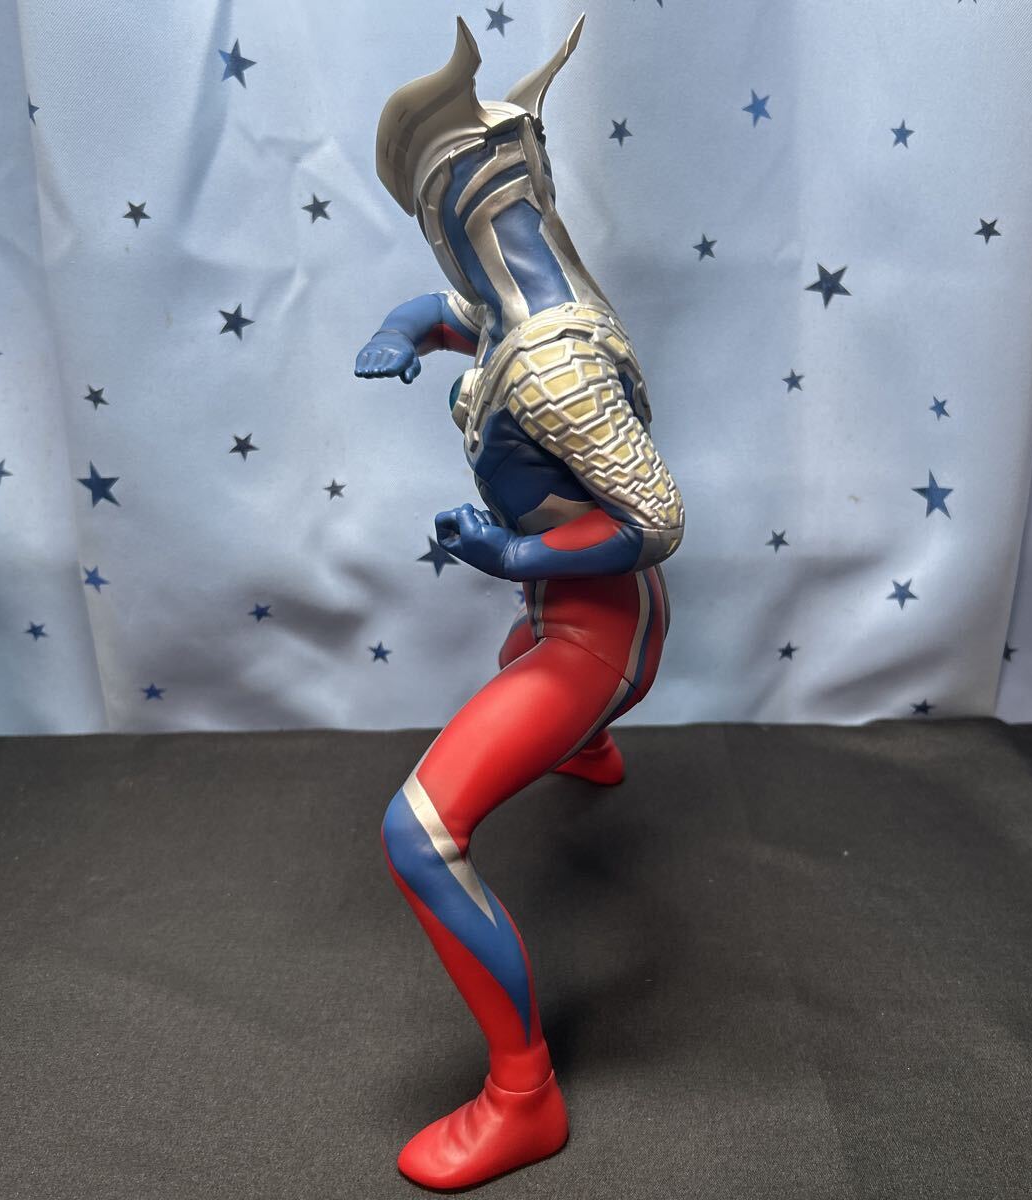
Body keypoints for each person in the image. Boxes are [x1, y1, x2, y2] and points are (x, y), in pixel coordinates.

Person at [354, 15, 684, 1189]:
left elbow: (655, 520)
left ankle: (522, 1094)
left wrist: (512, 555)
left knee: (420, 834)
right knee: (512, 665)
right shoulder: (517, 308)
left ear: (456, 207)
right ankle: (588, 747)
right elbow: (453, 317)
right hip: (578, 624)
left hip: (598, 634)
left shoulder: (553, 359)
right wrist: (401, 329)